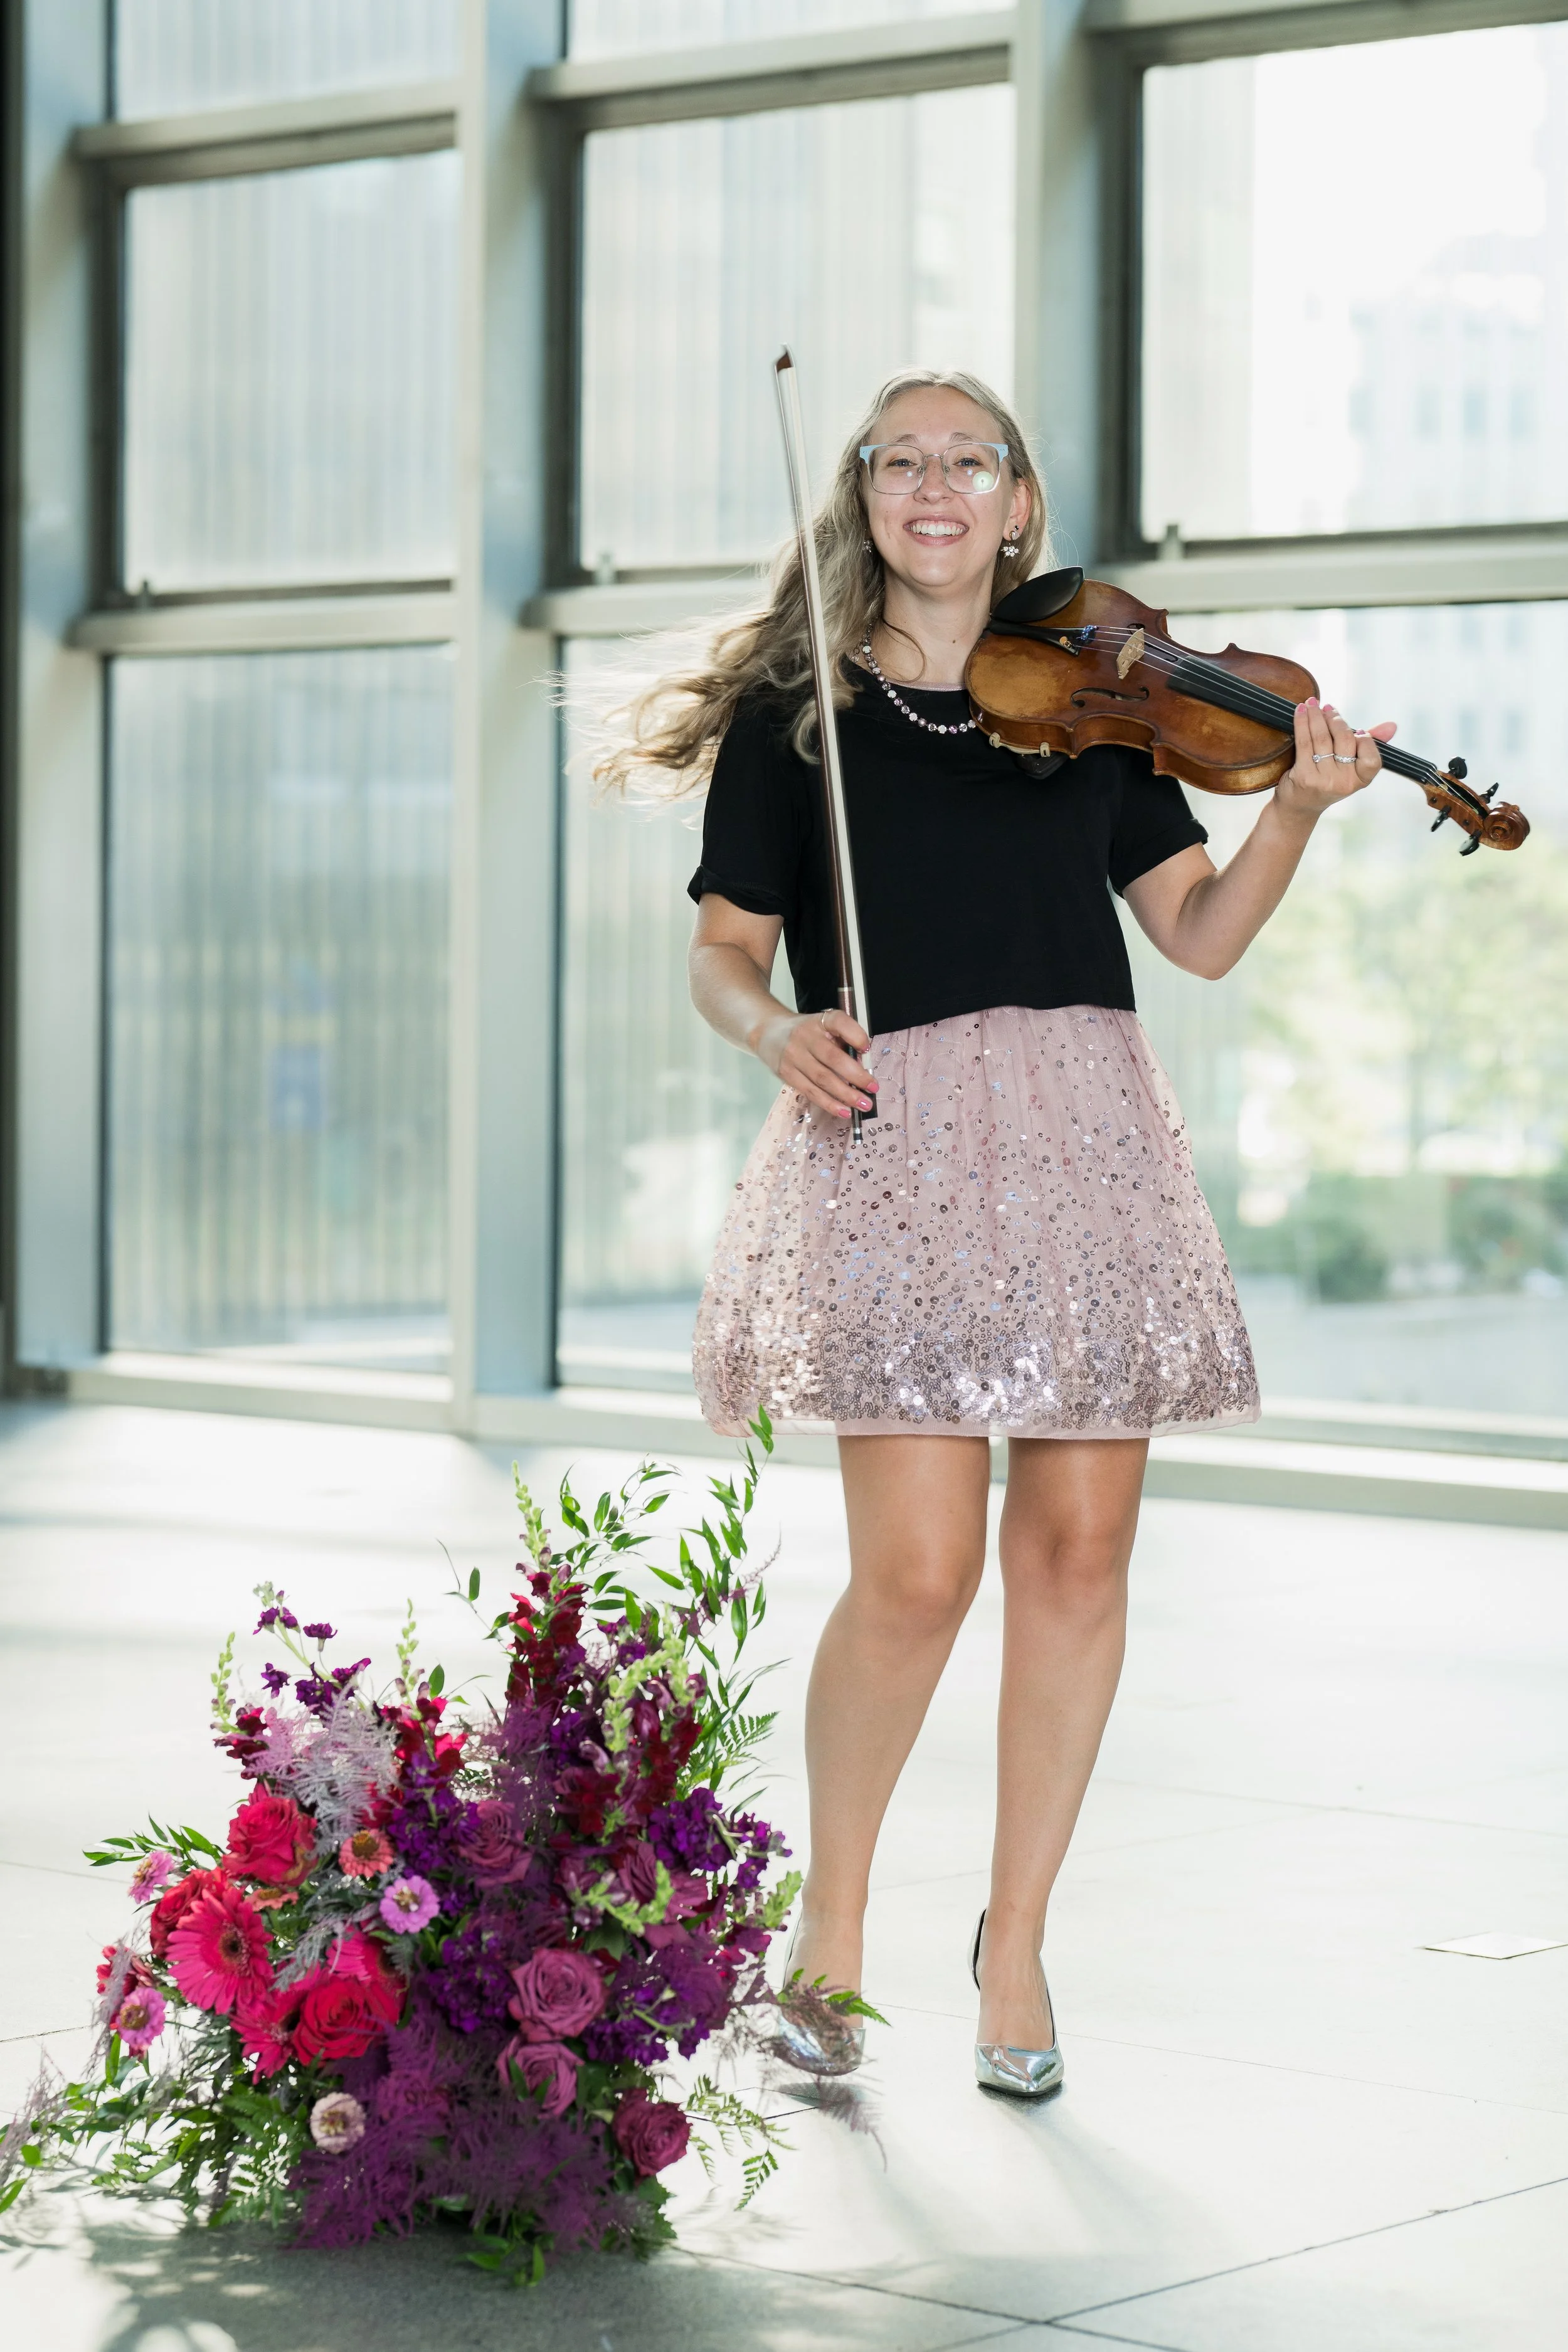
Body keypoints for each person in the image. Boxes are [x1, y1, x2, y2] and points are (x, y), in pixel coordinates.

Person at [596, 368, 1394, 2099]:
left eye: (971, 459)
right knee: (915, 1572)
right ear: (865, 497)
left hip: (1082, 1138)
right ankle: (834, 1920)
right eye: (902, 459)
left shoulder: (1102, 702)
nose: (936, 484)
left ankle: (1014, 1938)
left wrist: (1297, 814)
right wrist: (767, 1028)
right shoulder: (796, 715)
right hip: (891, 1135)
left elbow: (1192, 935)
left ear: (1019, 502)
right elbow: (725, 945)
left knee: (1078, 1556)